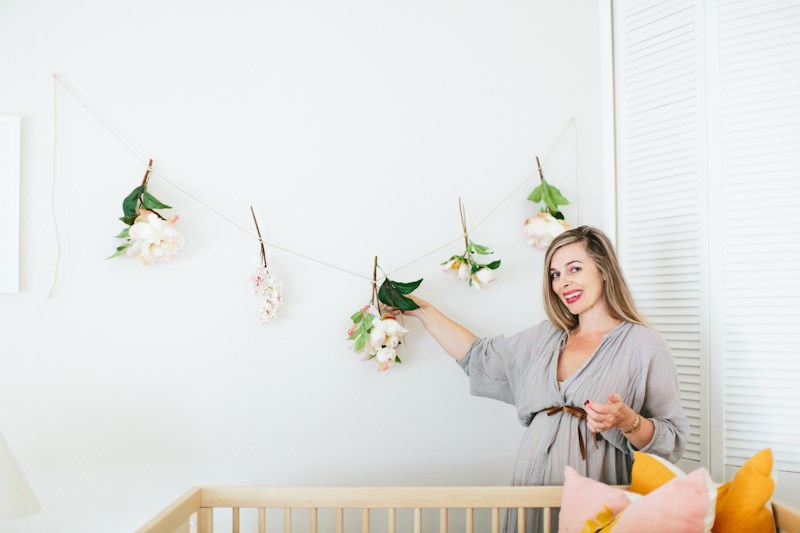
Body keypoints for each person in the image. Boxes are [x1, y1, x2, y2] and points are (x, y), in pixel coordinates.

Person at [399, 225, 688, 532]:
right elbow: (479, 355)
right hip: (529, 492)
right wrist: (423, 310)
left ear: (604, 271)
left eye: (574, 269)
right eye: (555, 274)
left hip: (597, 497)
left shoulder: (643, 345)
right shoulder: (545, 337)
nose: (563, 283)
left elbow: (671, 441)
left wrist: (628, 421)